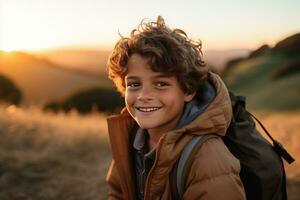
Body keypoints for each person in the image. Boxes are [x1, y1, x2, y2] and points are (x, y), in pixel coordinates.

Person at [105, 16, 246, 199]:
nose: (143, 96)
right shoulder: (131, 138)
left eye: (161, 84)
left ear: (188, 90)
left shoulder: (208, 158)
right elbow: (117, 192)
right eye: (134, 84)